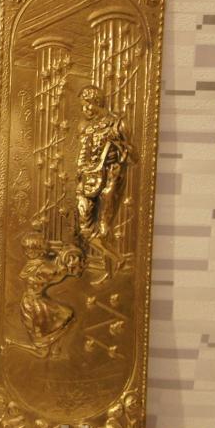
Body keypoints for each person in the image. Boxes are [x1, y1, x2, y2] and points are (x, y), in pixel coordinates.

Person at [75, 85, 130, 283]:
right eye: (82, 106)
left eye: (87, 105)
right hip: (87, 180)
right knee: (85, 229)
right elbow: (82, 155)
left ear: (96, 102)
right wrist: (81, 172)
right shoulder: (86, 127)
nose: (85, 110)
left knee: (104, 229)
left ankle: (111, 272)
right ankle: (117, 259)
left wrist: (120, 145)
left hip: (110, 180)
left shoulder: (117, 124)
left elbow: (135, 157)